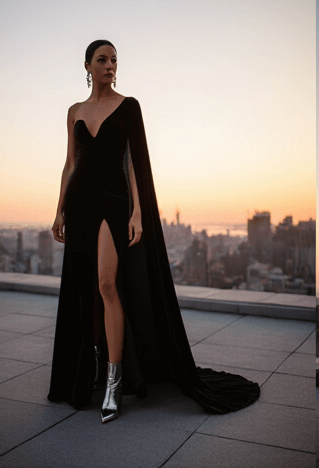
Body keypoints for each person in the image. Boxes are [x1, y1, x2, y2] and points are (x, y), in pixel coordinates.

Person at [48, 40, 260, 423]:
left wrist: (138, 214)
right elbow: (70, 163)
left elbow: (136, 164)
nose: (110, 65)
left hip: (114, 203)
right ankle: (96, 365)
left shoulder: (129, 106)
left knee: (107, 284)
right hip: (79, 204)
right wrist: (58, 209)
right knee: (86, 291)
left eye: (114, 60)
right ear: (87, 66)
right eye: (102, 60)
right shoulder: (74, 112)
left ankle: (115, 382)